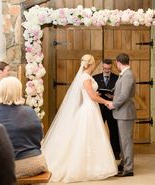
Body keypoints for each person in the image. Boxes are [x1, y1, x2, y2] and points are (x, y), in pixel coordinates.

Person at [42, 54, 117, 183]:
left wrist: (95, 94)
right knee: (87, 136)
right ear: (91, 64)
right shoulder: (86, 77)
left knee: (91, 136)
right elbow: (92, 97)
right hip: (89, 109)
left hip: (90, 107)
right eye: (94, 64)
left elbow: (89, 94)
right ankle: (87, 166)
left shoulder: (84, 77)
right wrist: (106, 102)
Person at [0, 76, 48, 178]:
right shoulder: (30, 111)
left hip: (8, 166)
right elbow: (40, 137)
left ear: (0, 91)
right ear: (19, 91)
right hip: (35, 163)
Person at [107, 53, 136, 177]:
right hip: (121, 113)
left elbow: (125, 95)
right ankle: (124, 163)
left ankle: (128, 169)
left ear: (118, 62)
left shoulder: (128, 74)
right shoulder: (124, 74)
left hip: (125, 113)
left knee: (126, 142)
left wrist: (114, 104)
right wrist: (112, 95)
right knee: (123, 141)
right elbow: (121, 92)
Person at [93, 59, 120, 160]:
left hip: (112, 108)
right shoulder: (95, 78)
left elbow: (120, 94)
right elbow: (91, 92)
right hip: (99, 108)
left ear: (111, 68)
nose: (107, 70)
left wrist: (113, 97)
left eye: (108, 69)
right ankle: (97, 152)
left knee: (114, 131)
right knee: (97, 130)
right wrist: (96, 94)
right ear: (102, 68)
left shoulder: (117, 78)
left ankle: (115, 152)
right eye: (105, 68)